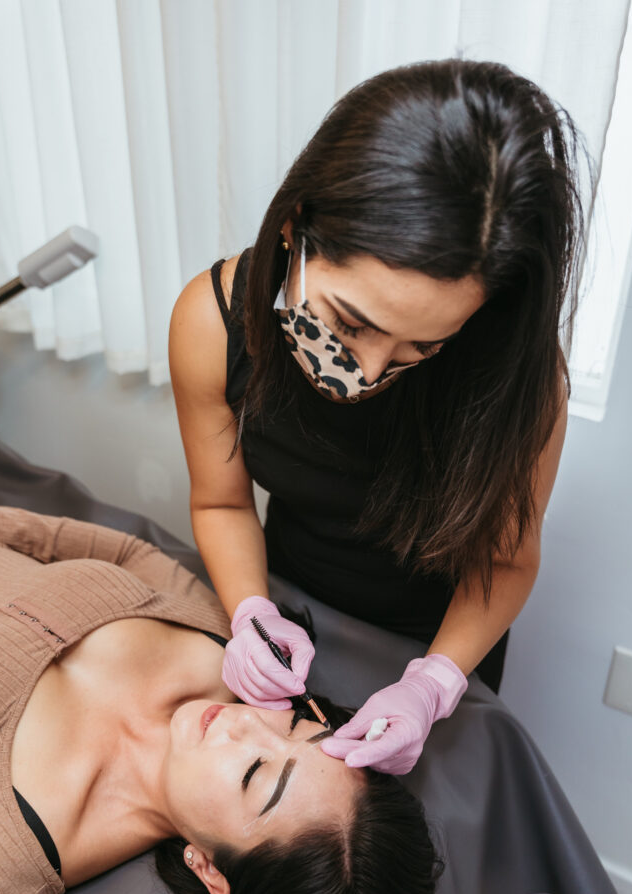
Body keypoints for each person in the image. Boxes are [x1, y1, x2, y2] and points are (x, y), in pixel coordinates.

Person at [169, 58, 589, 776]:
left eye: (424, 345)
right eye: (351, 322)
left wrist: (432, 685)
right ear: (295, 228)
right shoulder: (212, 321)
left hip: (440, 633)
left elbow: (505, 560)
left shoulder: (519, 378)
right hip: (288, 598)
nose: (366, 373)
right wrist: (250, 613)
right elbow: (219, 500)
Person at [0, 502, 439, 894]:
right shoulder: (225, 643)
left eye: (255, 773)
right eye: (298, 726)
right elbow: (116, 550)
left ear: (209, 867)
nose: (248, 721)